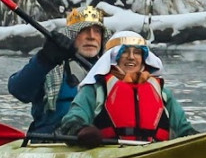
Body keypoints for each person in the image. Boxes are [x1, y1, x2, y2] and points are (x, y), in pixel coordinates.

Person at [56, 31, 197, 147]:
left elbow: (184, 129)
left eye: (137, 52)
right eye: (124, 53)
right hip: (109, 153)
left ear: (144, 58)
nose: (131, 58)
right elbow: (71, 122)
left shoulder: (162, 92)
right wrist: (82, 131)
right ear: (113, 58)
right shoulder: (95, 89)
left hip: (156, 150)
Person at [6, 5, 110, 134]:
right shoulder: (50, 64)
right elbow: (19, 90)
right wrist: (45, 58)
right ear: (71, 34)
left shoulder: (111, 72)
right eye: (84, 30)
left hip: (96, 142)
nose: (91, 36)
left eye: (97, 31)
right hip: (52, 143)